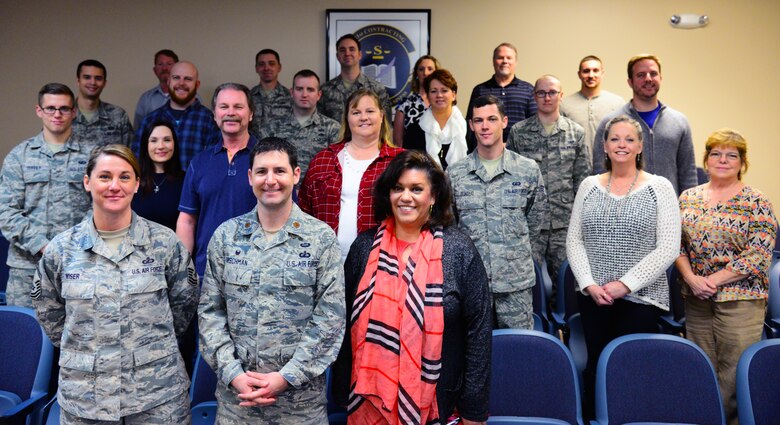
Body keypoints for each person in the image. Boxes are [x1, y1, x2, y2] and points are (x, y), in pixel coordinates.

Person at [32, 144, 198, 424]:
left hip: (156, 398)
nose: (114, 186)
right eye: (104, 176)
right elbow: (51, 315)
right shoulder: (61, 251)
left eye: (124, 177)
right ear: (88, 182)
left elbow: (183, 308)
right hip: (86, 400)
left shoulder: (165, 244)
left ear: (136, 184)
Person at [332, 150, 491, 424]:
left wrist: (474, 410)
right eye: (398, 188)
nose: (406, 197)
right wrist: (340, 390)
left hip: (440, 405)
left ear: (433, 197)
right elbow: (343, 326)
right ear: (388, 195)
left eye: (416, 189)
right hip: (368, 401)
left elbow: (478, 333)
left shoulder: (459, 250)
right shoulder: (363, 248)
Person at [198, 137, 345, 424]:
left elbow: (331, 318)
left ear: (296, 175)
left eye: (279, 170)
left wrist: (287, 377)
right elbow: (209, 314)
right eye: (262, 171)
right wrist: (234, 374)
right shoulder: (226, 237)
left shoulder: (321, 239)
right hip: (238, 404)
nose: (271, 180)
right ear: (250, 177)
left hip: (299, 407)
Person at [566, 115, 681, 418]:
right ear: (604, 146)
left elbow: (668, 246)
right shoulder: (589, 185)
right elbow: (574, 242)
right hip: (594, 296)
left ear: (640, 146)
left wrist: (625, 285)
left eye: (629, 139)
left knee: (631, 368)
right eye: (615, 139)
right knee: (597, 365)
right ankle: (594, 418)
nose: (622, 145)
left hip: (641, 299)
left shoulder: (660, 187)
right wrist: (590, 284)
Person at [676, 129, 777, 425]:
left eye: (731, 155)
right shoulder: (688, 197)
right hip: (696, 298)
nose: (723, 160)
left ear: (742, 162)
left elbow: (758, 253)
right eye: (716, 154)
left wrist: (713, 281)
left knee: (733, 376)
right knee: (701, 368)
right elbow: (676, 245)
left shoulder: (756, 200)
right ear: (706, 159)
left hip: (741, 300)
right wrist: (692, 279)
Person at [448, 95, 548, 329]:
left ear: (504, 122)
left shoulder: (527, 170)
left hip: (515, 285)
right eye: (478, 120)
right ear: (471, 125)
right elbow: (450, 227)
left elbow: (536, 221)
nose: (485, 126)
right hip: (472, 283)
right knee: (474, 357)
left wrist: (516, 257)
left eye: (492, 119)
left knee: (518, 353)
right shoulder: (455, 174)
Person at [0, 83, 91, 307]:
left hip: (78, 264)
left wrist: (75, 243)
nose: (57, 114)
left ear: (74, 112)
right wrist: (43, 246)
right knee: (26, 337)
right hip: (27, 269)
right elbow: (6, 212)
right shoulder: (19, 157)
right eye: (50, 108)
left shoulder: (92, 156)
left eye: (64, 108)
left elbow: (102, 205)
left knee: (79, 338)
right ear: (39, 111)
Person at [299, 88, 403, 260]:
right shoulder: (323, 160)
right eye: (356, 112)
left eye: (370, 111)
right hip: (326, 260)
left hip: (381, 261)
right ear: (347, 118)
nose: (363, 117)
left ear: (382, 115)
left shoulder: (399, 162)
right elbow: (304, 212)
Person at [507, 75, 591, 287]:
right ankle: (534, 320)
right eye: (541, 93)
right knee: (526, 280)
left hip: (565, 223)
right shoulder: (519, 132)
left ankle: (563, 321)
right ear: (534, 96)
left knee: (567, 282)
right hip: (529, 223)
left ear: (561, 96)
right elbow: (510, 179)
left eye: (552, 92)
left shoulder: (576, 133)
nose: (547, 97)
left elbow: (583, 181)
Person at [177, 83, 258, 277]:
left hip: (257, 272)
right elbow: (187, 221)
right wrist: (185, 270)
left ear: (251, 114)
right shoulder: (199, 162)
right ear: (214, 115)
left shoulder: (268, 158)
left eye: (238, 107)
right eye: (224, 107)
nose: (231, 112)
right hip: (207, 273)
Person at [594, 54, 697, 195]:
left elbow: (688, 174)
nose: (648, 78)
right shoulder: (610, 123)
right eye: (641, 75)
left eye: (653, 74)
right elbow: (600, 172)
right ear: (630, 82)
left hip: (668, 208)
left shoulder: (679, 122)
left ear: (661, 78)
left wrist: (687, 209)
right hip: (623, 210)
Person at [257, 69, 340, 181]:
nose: (304, 94)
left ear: (319, 95)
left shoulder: (332, 128)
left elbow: (337, 168)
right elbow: (262, 164)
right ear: (292, 92)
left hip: (318, 194)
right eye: (299, 89)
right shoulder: (272, 127)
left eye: (310, 90)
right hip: (281, 193)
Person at [135, 60, 220, 169]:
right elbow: (138, 161)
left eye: (188, 79)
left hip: (195, 186)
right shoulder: (150, 120)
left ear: (197, 84)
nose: (181, 83)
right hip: (157, 186)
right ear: (169, 81)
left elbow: (214, 165)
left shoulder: (210, 120)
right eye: (176, 78)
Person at [466, 43, 536, 145]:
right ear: (493, 62)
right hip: (486, 152)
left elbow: (534, 124)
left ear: (515, 62)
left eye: (509, 58)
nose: (505, 61)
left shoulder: (528, 89)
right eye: (500, 58)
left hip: (520, 152)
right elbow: (471, 125)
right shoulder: (480, 90)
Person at [318, 34, 392, 123]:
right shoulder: (326, 90)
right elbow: (320, 126)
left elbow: (386, 126)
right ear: (337, 56)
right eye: (342, 50)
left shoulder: (376, 89)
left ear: (360, 54)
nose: (347, 53)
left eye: (352, 49)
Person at [403, 69, 468, 169]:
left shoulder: (468, 128)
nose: (439, 95)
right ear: (428, 96)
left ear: (453, 95)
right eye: (433, 91)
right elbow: (408, 167)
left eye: (444, 90)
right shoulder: (414, 130)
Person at [560, 55, 625, 152]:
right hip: (576, 165)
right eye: (586, 71)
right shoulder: (564, 105)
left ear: (602, 73)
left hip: (610, 165)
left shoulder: (618, 103)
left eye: (595, 70)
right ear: (579, 74)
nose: (591, 75)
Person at [131, 120, 185, 230]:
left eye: (167, 140)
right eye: (154, 141)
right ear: (145, 145)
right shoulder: (132, 180)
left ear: (174, 143)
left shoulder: (187, 181)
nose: (161, 146)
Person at [71, 59, 133, 148]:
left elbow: (130, 154)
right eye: (87, 77)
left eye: (98, 78)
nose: (92, 82)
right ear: (78, 81)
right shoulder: (62, 114)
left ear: (104, 83)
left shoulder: (118, 115)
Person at [393, 55, 441, 147]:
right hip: (412, 159)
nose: (425, 73)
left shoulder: (441, 102)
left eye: (430, 69)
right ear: (416, 75)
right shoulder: (404, 105)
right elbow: (398, 142)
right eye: (421, 69)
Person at [249, 48, 293, 133]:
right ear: (256, 68)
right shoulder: (248, 97)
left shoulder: (290, 97)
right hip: (254, 145)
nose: (266, 68)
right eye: (261, 64)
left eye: (271, 64)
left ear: (279, 67)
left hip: (280, 145)